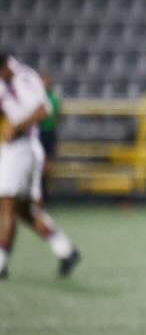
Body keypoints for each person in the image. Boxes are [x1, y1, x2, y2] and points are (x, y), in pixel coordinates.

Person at [0, 52, 81, 280]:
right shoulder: (8, 80)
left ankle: (1, 263)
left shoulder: (23, 79)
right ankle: (65, 250)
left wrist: (16, 127)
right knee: (23, 210)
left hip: (21, 148)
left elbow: (44, 109)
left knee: (6, 205)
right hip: (15, 149)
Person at [37, 72, 61, 200]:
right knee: (38, 165)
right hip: (38, 133)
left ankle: (44, 193)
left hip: (48, 133)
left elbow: (55, 116)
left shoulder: (53, 98)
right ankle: (38, 193)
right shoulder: (37, 97)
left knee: (46, 165)